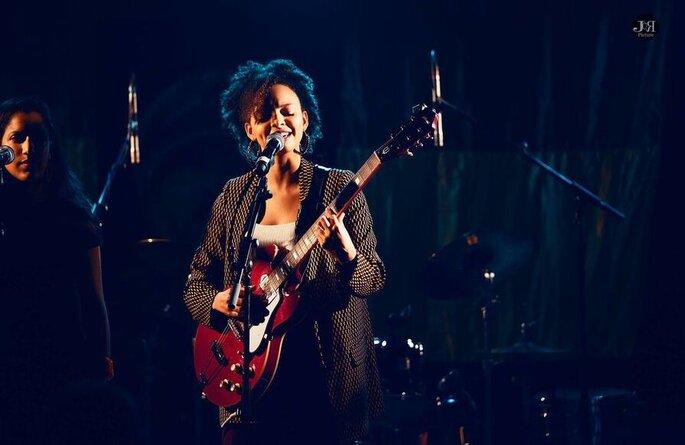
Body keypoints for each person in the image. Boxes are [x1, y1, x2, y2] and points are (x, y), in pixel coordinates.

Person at [183, 59, 386, 445]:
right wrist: (219, 301)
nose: (277, 120)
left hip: (324, 378)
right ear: (250, 130)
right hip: (249, 382)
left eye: (287, 111)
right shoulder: (233, 197)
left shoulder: (339, 188)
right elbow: (195, 284)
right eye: (264, 115)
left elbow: (373, 277)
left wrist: (346, 253)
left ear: (304, 120)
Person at [0, 97, 113, 444]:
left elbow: (95, 301)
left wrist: (103, 358)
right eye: (18, 138)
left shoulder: (74, 220)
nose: (29, 148)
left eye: (39, 137)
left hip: (63, 361)